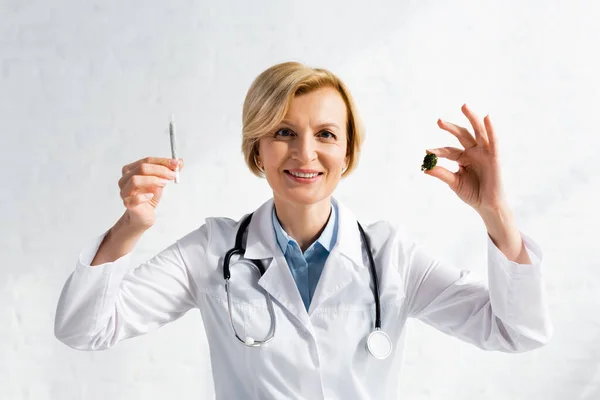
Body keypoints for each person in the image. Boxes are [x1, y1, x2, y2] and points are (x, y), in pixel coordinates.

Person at [54, 61, 553, 399]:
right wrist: (129, 227)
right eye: (283, 132)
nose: (305, 153)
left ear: (348, 152)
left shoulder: (392, 257)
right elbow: (84, 329)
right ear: (257, 149)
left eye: (326, 134)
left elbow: (517, 332)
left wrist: (496, 215)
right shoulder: (211, 252)